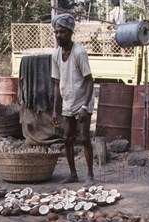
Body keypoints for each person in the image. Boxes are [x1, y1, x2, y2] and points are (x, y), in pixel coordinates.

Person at [51, 13, 95, 185]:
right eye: (56, 32)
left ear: (70, 32)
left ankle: (90, 175)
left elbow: (90, 81)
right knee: (67, 138)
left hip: (83, 100)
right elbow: (56, 83)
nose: (58, 35)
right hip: (68, 101)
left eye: (61, 32)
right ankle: (73, 174)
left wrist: (85, 106)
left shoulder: (79, 53)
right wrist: (55, 109)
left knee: (84, 138)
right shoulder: (55, 55)